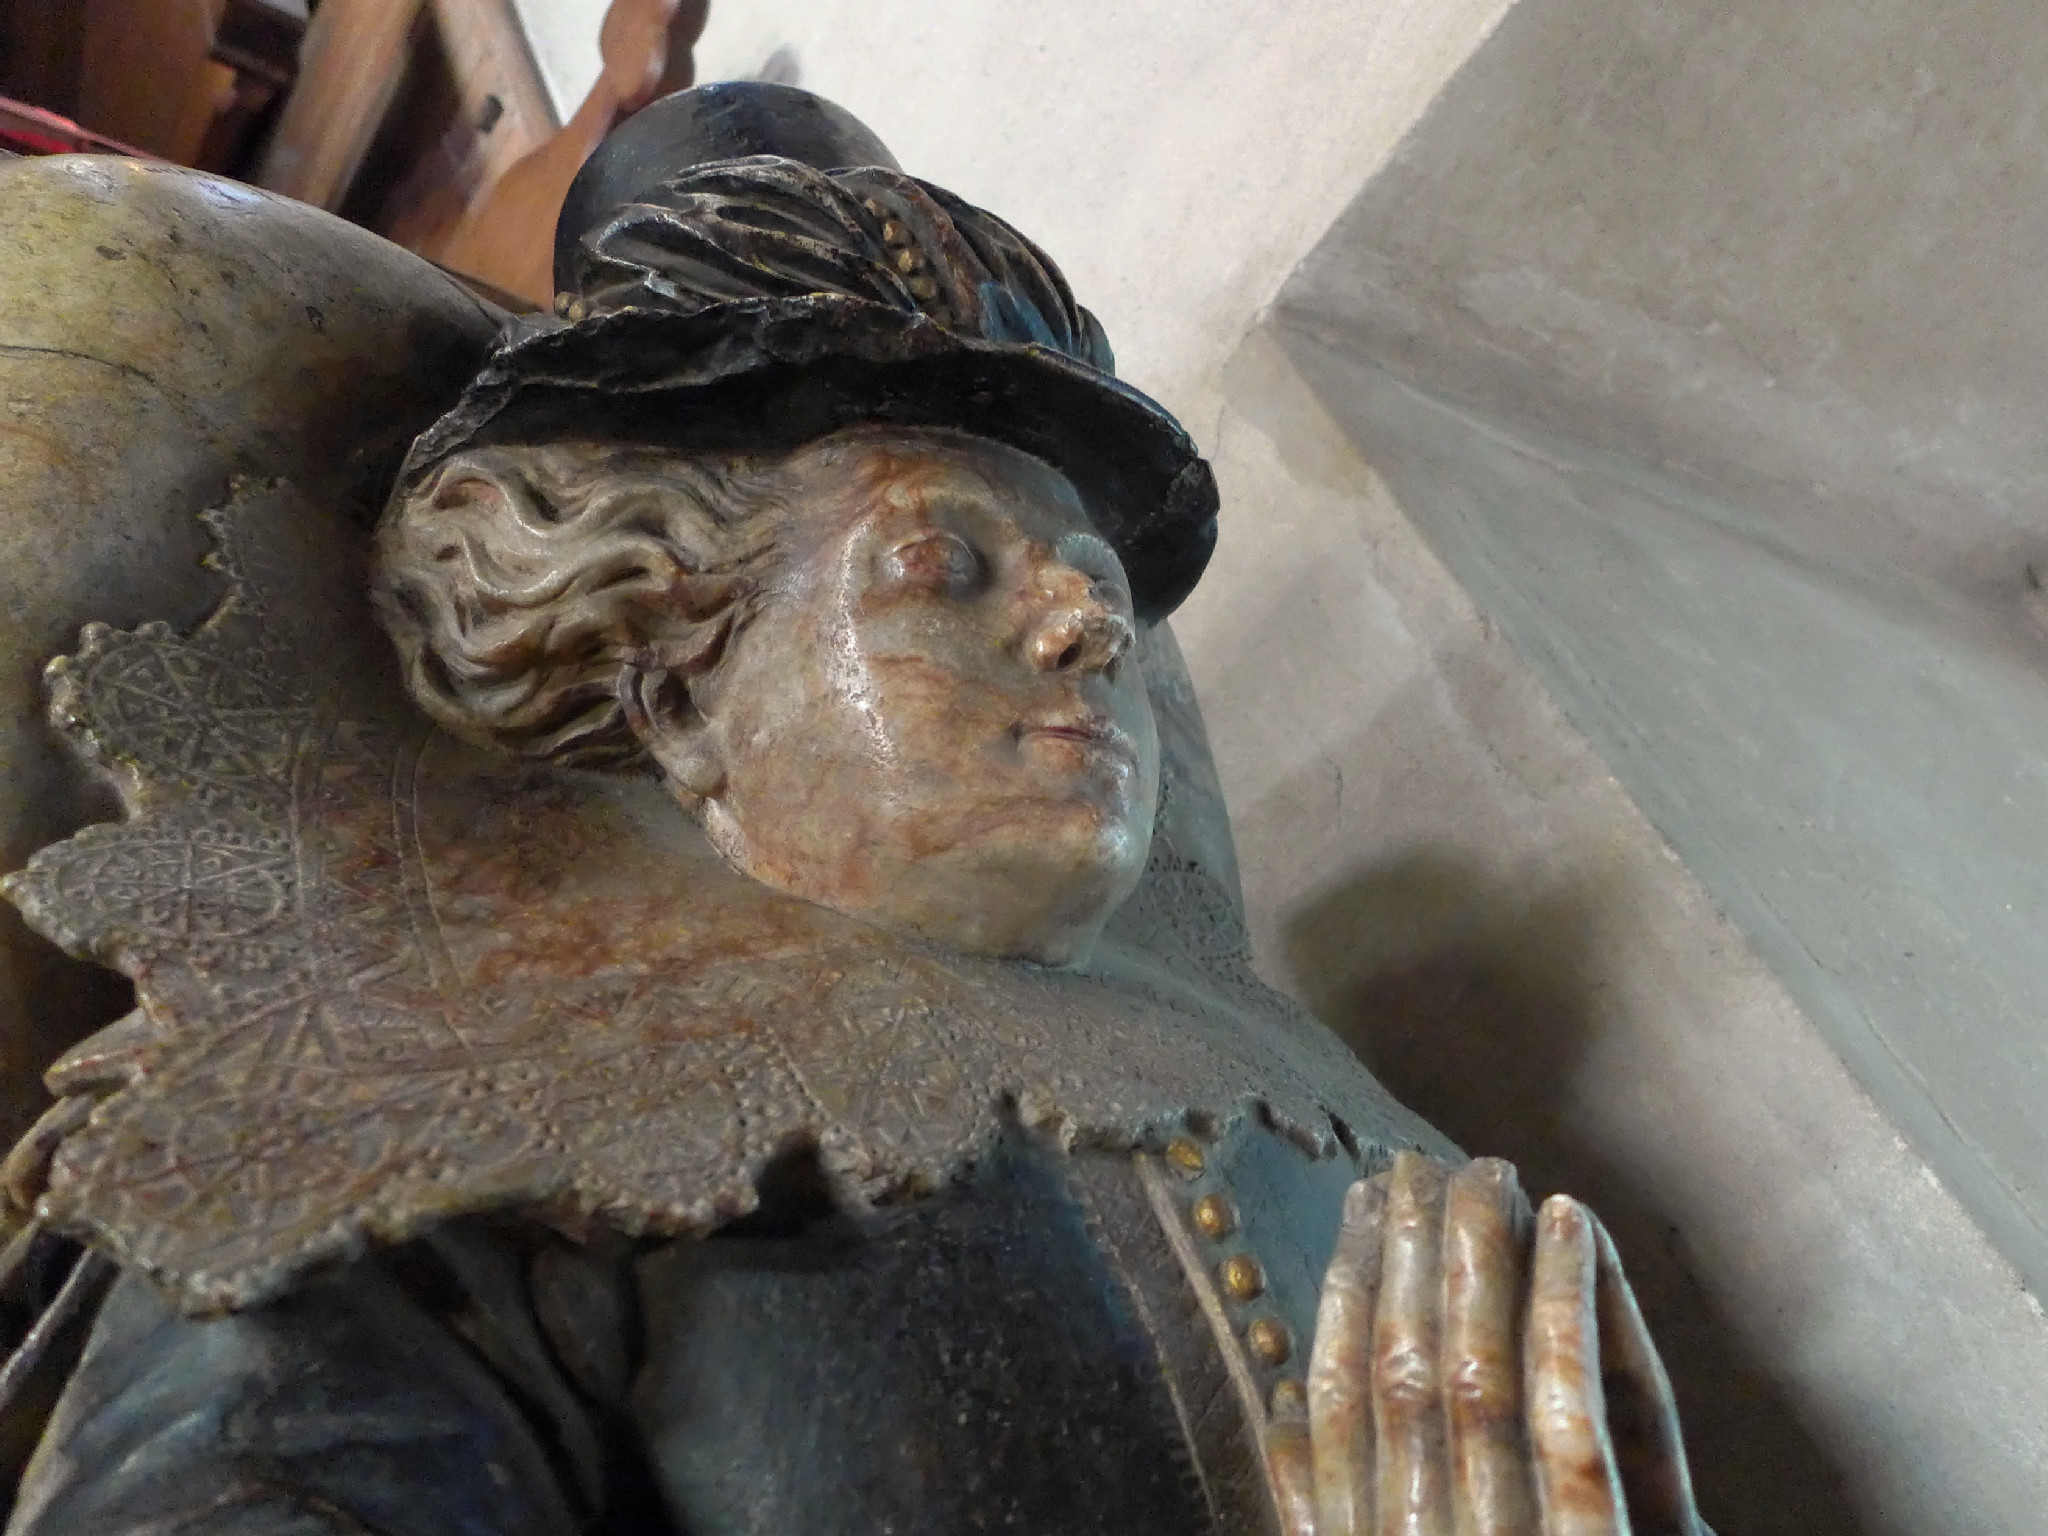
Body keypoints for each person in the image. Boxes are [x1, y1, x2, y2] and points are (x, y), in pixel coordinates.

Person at [0, 84, 1705, 1535]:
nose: (1084, 621)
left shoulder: (1361, 1151)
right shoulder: (419, 1147)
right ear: (676, 687)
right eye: (943, 563)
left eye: (1093, 574)